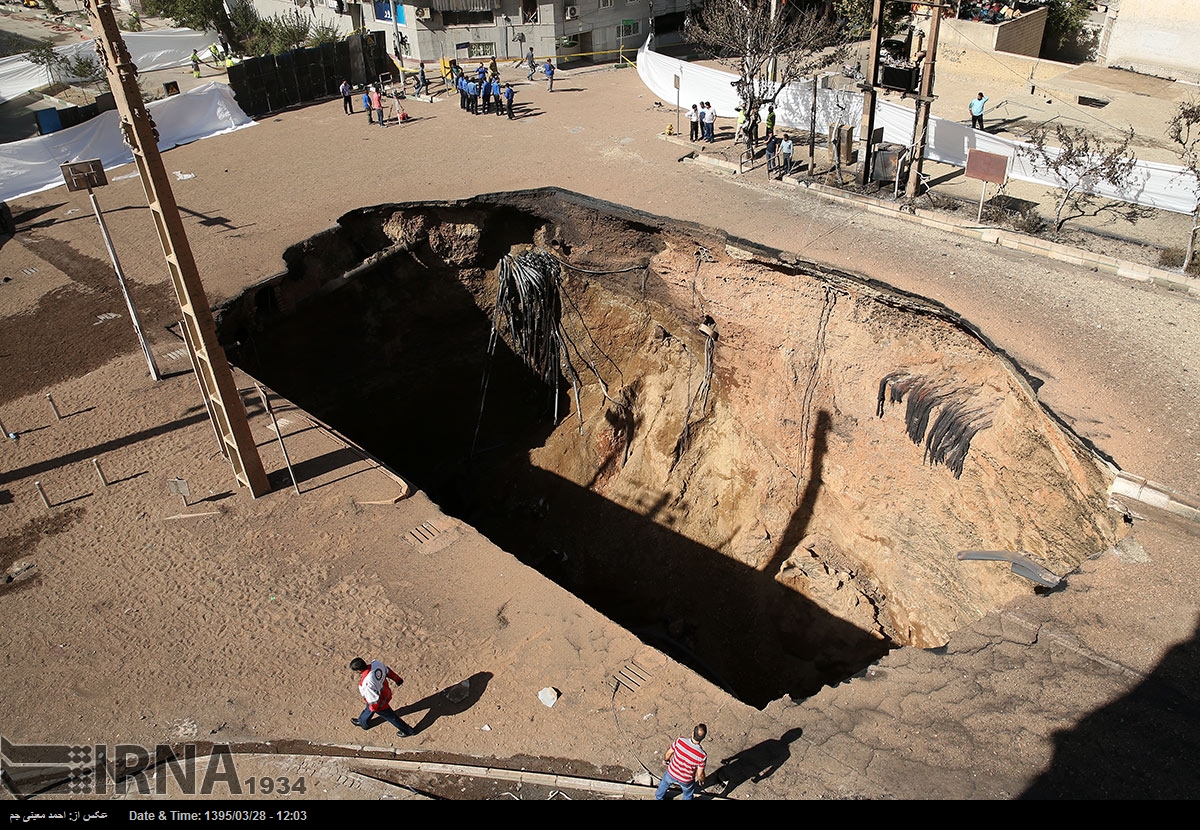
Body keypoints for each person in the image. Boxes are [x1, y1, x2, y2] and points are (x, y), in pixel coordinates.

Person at [349, 657, 414, 737]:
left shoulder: (365, 683)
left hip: (379, 701)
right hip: (386, 692)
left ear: (359, 670)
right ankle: (363, 722)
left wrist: (374, 708)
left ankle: (408, 731)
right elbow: (388, 671)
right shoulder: (376, 664)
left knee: (390, 716)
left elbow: (373, 701)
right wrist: (397, 679)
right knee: (368, 708)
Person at [655, 724, 707, 800]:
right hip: (686, 779)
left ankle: (659, 797)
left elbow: (669, 753)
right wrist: (702, 781)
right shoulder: (702, 755)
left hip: (672, 772)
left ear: (693, 733)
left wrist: (666, 760)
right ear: (703, 738)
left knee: (664, 784)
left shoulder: (680, 741)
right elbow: (700, 774)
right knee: (688, 794)